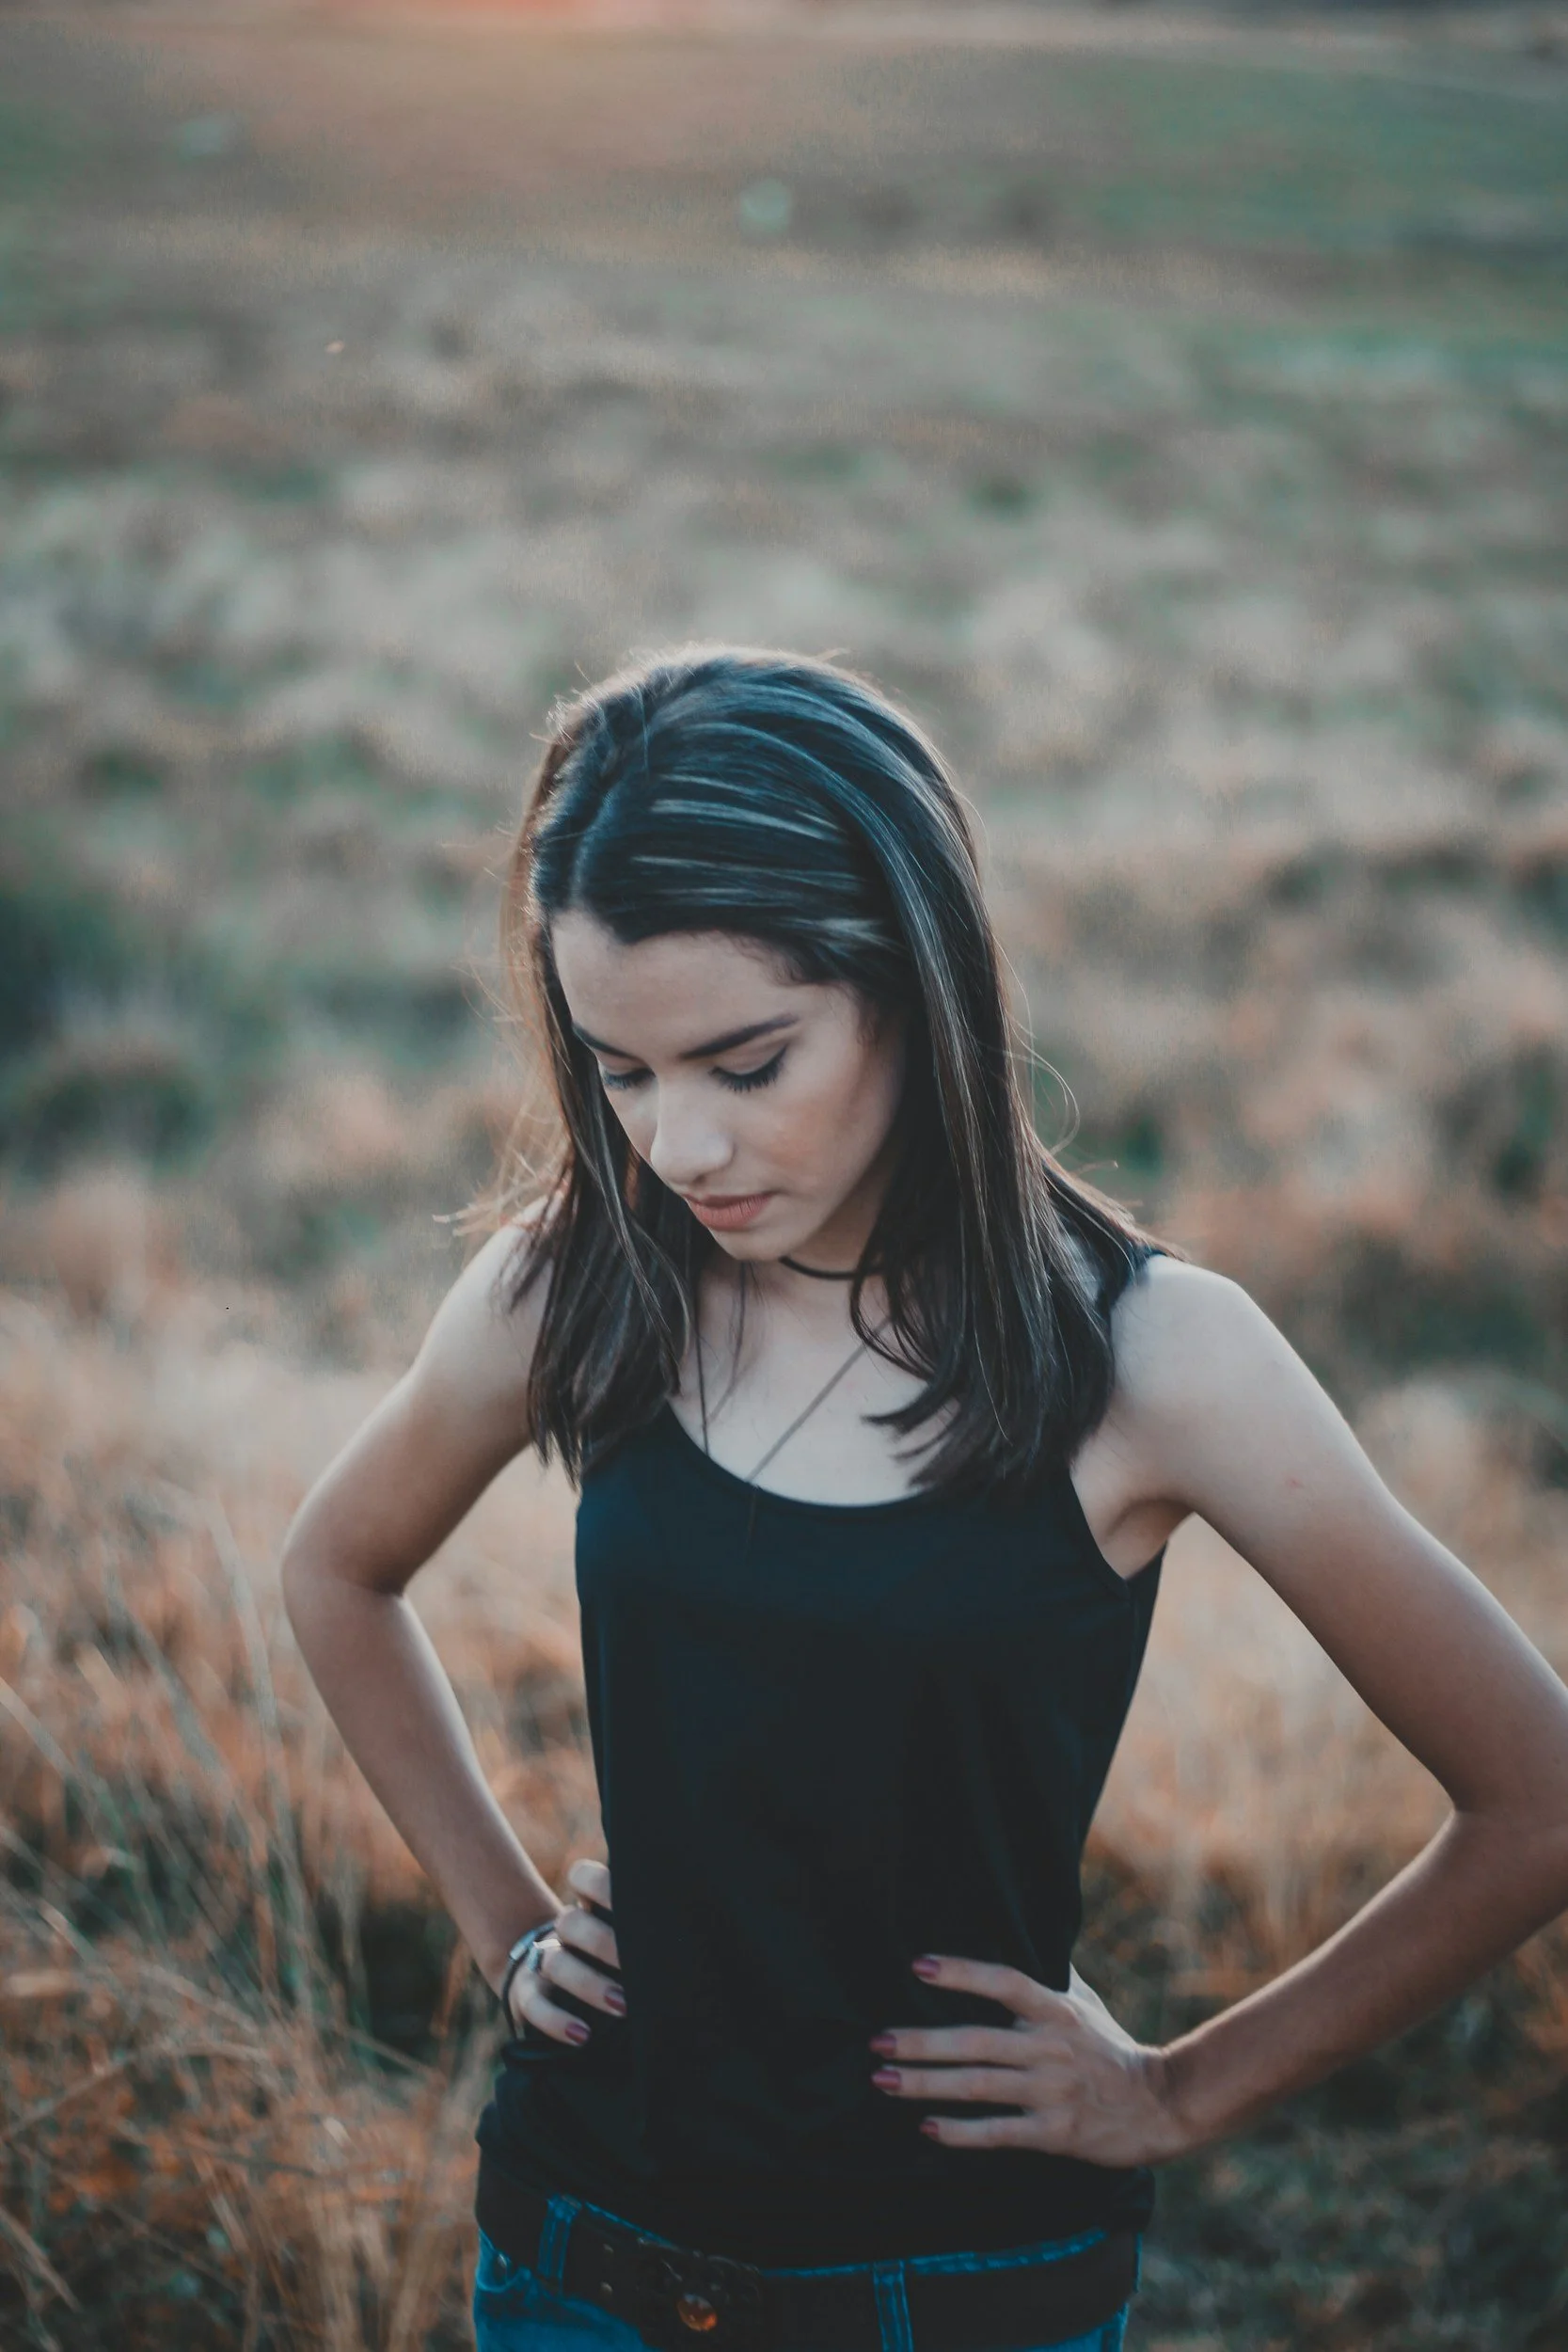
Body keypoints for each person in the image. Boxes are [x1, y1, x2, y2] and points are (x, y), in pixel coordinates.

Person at [280, 645, 1568, 2352]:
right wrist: (508, 1930)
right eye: (619, 1069)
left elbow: (1535, 1799)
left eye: (747, 1065)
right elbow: (336, 1572)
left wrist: (1179, 2093)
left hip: (959, 2292)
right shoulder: (574, 1286)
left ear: (916, 982)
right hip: (578, 2258)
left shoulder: (1153, 1358)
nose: (681, 1146)